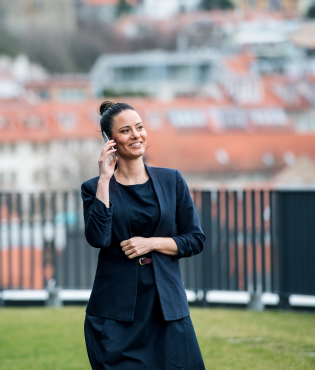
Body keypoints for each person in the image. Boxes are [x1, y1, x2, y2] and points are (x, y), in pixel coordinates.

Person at [81, 101, 206, 370]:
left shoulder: (172, 180)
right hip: (117, 312)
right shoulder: (94, 187)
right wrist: (105, 179)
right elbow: (98, 238)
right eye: (125, 130)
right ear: (109, 140)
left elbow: (195, 239)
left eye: (139, 127)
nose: (136, 135)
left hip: (166, 308)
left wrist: (151, 243)